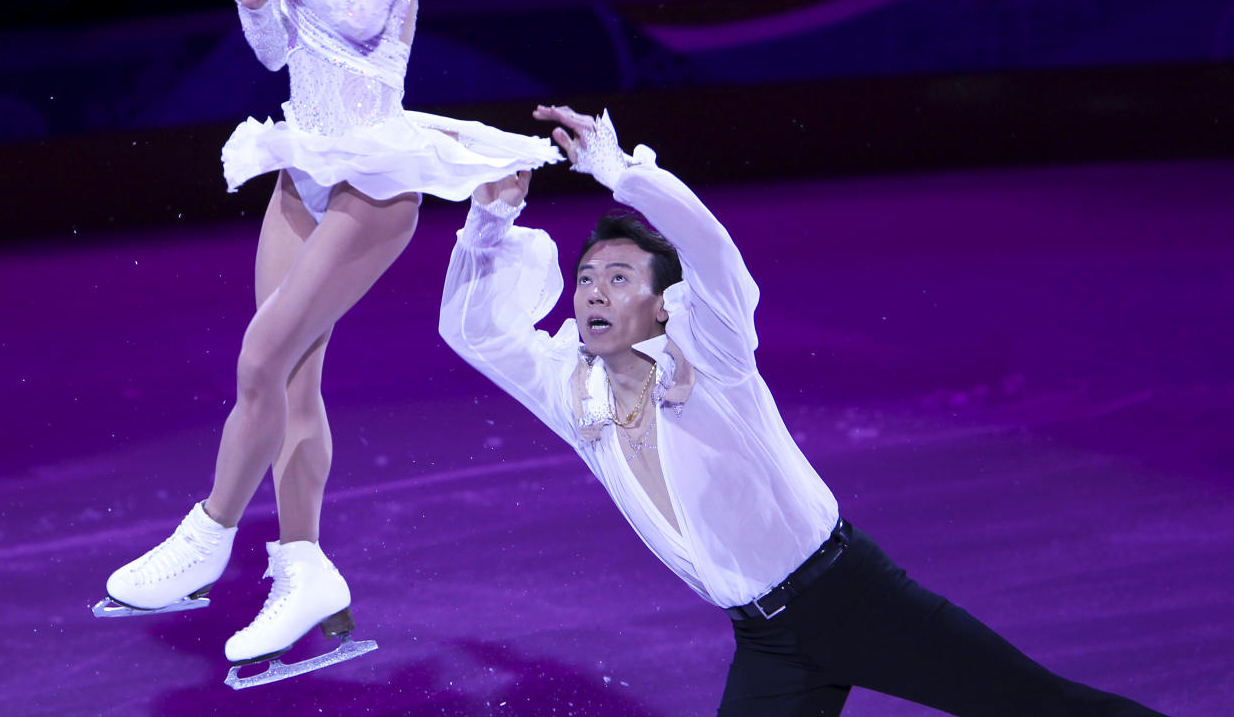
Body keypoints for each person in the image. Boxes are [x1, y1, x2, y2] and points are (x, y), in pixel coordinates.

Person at [438, 103, 1169, 716]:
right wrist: (492, 220)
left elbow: (712, 251)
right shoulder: (576, 391)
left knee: (1041, 707)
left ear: (663, 305)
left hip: (852, 599)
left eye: (620, 276)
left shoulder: (712, 351)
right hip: (765, 640)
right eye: (588, 276)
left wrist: (622, 171)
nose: (594, 289)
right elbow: (473, 331)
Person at [97, 0, 559, 687]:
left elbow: (352, 17)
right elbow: (283, 53)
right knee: (293, 386)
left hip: (372, 179)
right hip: (303, 161)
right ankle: (303, 570)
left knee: (260, 358)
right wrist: (255, 1)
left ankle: (208, 537)